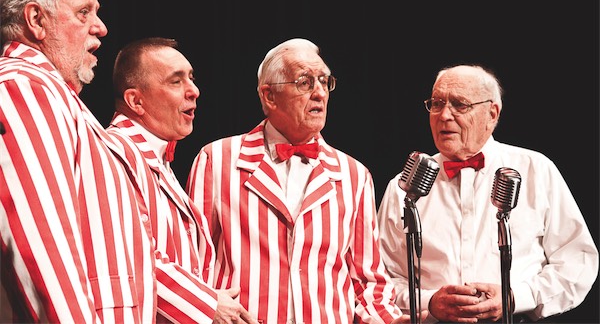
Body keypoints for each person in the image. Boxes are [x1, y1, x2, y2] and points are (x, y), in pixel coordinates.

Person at [185, 37, 424, 323]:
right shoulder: (217, 159)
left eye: (324, 81)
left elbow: (368, 280)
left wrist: (388, 319)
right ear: (269, 96)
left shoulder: (353, 174)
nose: (320, 93)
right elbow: (193, 262)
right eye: (305, 82)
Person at [377, 64, 599, 323]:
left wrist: (515, 297)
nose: (444, 115)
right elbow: (382, 279)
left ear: (492, 113)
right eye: (436, 103)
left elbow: (577, 262)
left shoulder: (534, 170)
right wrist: (431, 302)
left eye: (460, 104)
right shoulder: (405, 187)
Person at [0, 0, 155, 323]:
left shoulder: (55, 96)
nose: (100, 28)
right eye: (83, 12)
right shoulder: (23, 87)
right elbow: (41, 241)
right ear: (36, 20)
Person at [107, 37, 257, 323]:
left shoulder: (157, 159)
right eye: (176, 81)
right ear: (135, 100)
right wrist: (207, 304)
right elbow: (132, 254)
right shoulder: (116, 151)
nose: (194, 91)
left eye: (191, 78)